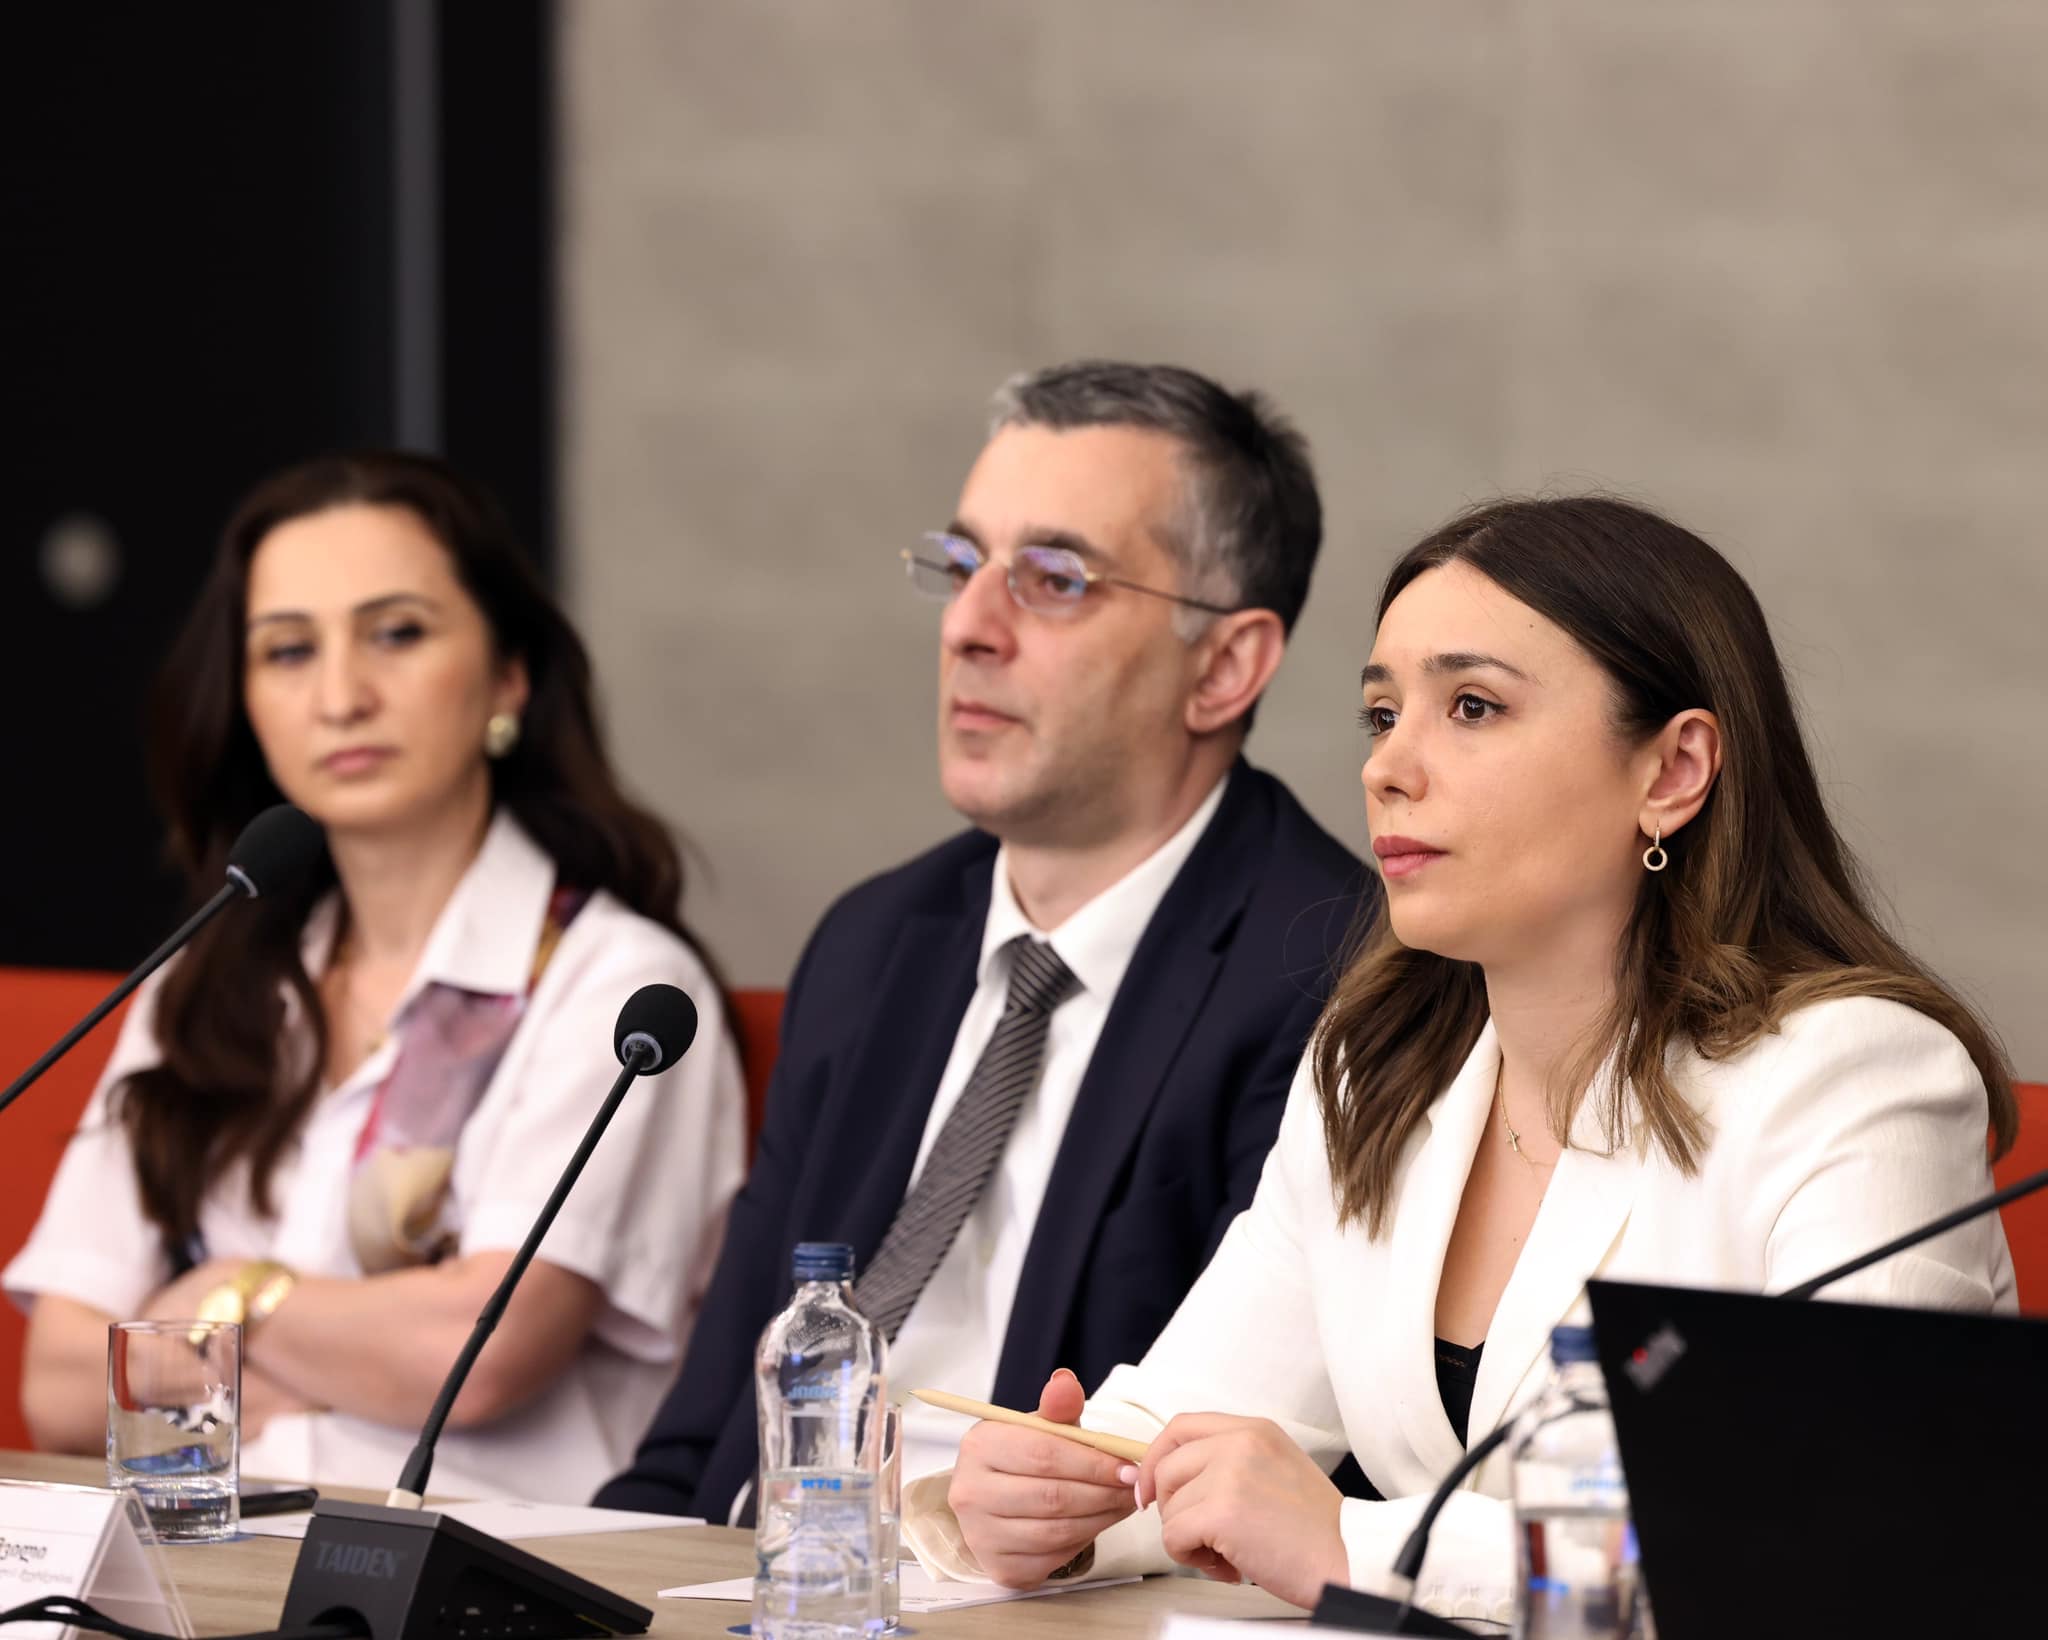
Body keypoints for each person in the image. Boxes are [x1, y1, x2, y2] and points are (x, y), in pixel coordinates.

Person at [915, 494, 2019, 1617]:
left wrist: (1352, 1543)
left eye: (1473, 706)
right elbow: (1180, 1432)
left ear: (1672, 771)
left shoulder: (1857, 1078)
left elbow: (1847, 1542)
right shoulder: (1373, 1070)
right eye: (1381, 714)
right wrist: (1056, 1501)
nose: (1388, 767)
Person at [596, 360, 1369, 1523]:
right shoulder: (875, 941)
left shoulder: (1334, 972)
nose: (966, 626)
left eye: (1052, 579)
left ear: (1222, 666)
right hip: (770, 1573)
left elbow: (1223, 1474)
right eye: (960, 566)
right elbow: (700, 1437)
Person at [6, 451, 746, 1503]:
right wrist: (329, 1367)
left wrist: (226, 1295)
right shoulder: (206, 982)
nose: (341, 696)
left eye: (396, 633)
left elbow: (477, 1352)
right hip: (207, 1560)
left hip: (478, 1569)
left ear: (508, 676)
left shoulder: (621, 986)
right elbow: (63, 1384)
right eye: (289, 649)